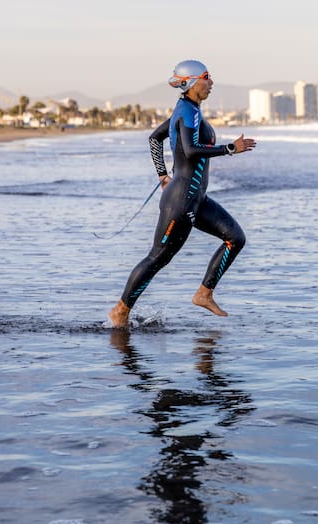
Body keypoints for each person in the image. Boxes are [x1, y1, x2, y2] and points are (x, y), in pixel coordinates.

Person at [109, 59, 256, 328]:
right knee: (158, 257)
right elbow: (190, 150)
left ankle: (204, 294)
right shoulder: (187, 111)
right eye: (207, 78)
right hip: (180, 201)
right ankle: (120, 311)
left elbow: (155, 138)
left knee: (235, 238)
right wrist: (230, 149)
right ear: (192, 83)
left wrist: (162, 175)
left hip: (196, 199)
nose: (211, 83)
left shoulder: (189, 109)